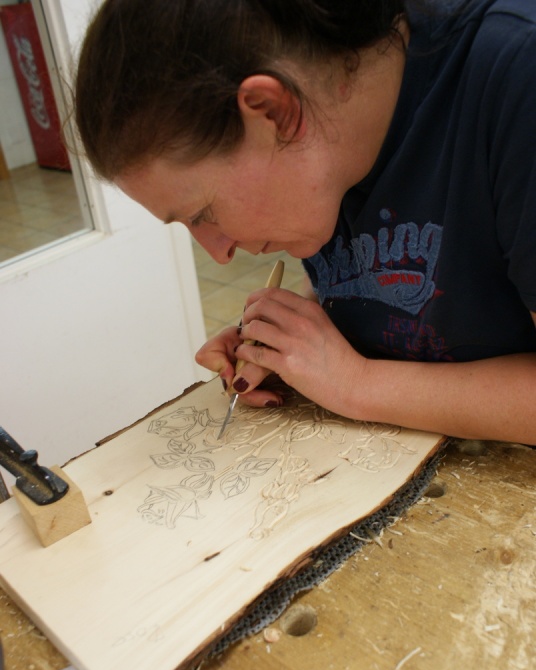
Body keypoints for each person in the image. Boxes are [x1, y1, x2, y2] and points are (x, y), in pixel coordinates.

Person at [74, 0, 536, 445]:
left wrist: (357, 383)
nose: (219, 253)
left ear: (274, 113)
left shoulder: (517, 73)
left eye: (202, 214)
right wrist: (291, 343)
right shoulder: (320, 165)